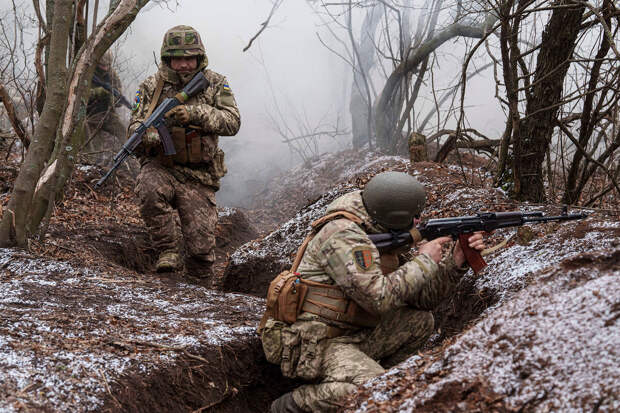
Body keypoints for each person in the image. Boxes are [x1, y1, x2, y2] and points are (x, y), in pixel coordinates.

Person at [260, 171, 487, 413]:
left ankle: (385, 386)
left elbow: (422, 299)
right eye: (414, 216)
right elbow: (378, 298)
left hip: (352, 332)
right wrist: (424, 261)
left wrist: (455, 262)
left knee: (419, 322)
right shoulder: (342, 235)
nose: (418, 222)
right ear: (395, 216)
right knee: (375, 391)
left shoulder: (377, 228)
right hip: (313, 343)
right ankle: (291, 405)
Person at [129, 25, 240, 277]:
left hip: (199, 176)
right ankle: (167, 250)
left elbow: (233, 121)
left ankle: (200, 292)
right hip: (162, 167)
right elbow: (134, 122)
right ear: (167, 59)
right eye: (177, 58)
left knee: (201, 249)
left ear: (199, 57)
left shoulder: (215, 83)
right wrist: (146, 133)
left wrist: (195, 113)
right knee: (148, 187)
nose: (184, 65)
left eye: (189, 58)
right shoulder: (150, 87)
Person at [83, 52, 127, 167]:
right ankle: (88, 167)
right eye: (102, 65)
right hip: (88, 116)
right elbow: (79, 96)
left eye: (107, 65)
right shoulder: (87, 73)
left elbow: (119, 99)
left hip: (107, 114)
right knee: (92, 146)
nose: (105, 68)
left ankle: (131, 159)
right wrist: (97, 93)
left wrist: (112, 98)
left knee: (124, 133)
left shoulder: (112, 75)